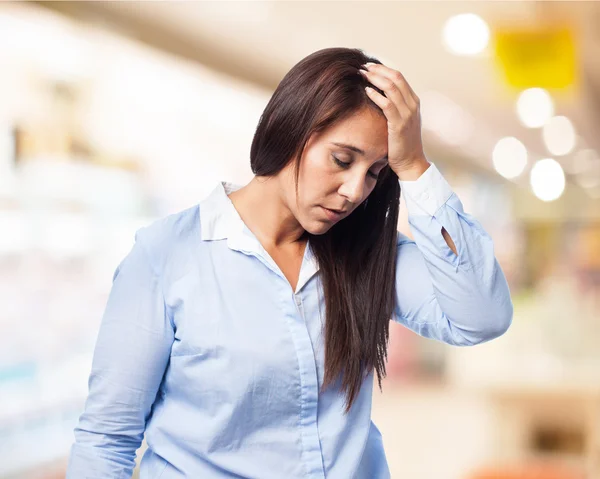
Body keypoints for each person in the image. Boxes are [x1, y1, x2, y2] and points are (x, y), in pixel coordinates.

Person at [66, 47, 513, 479]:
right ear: (291, 129)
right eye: (342, 160)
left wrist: (414, 165)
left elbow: (481, 317)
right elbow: (106, 439)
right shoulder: (168, 255)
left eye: (375, 172)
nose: (355, 190)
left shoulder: (368, 252)